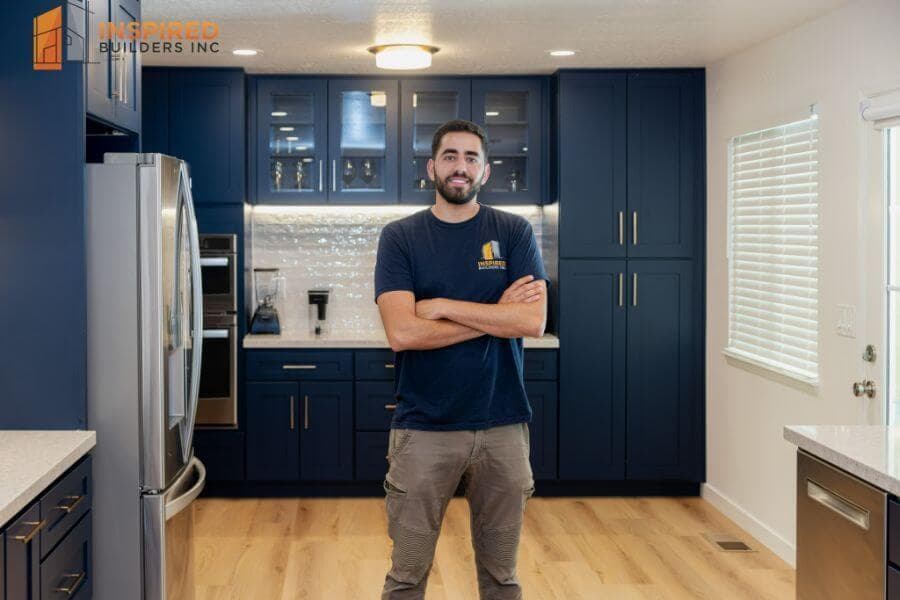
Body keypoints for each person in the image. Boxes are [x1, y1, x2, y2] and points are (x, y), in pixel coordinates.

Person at [374, 119, 548, 599]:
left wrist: (446, 307)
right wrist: (498, 314)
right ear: (432, 167)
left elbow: (532, 322)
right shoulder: (401, 237)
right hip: (423, 429)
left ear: (486, 172)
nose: (460, 167)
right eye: (450, 156)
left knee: (502, 577)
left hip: (503, 426)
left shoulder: (513, 231)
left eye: (471, 158)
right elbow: (403, 332)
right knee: (406, 576)